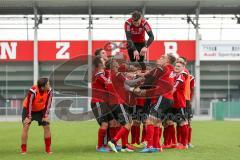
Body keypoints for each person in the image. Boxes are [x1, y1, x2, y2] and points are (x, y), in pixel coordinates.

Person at [21, 77, 53, 154]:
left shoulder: (49, 91)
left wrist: (45, 116)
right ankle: (23, 150)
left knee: (47, 127)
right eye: (48, 84)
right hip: (28, 109)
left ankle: (48, 149)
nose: (49, 85)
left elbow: (48, 104)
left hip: (41, 110)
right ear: (42, 87)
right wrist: (28, 117)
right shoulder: (33, 90)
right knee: (26, 127)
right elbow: (29, 104)